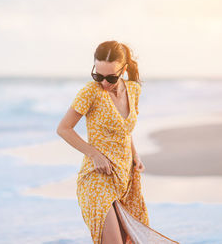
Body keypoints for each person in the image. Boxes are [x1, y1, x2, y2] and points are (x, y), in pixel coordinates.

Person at [56, 41, 179, 244]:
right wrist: (94, 154)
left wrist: (135, 155)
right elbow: (63, 128)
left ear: (123, 69)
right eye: (98, 75)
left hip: (124, 178)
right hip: (96, 178)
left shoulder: (133, 90)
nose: (104, 82)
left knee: (132, 240)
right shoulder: (90, 92)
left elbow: (124, 131)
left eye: (111, 77)